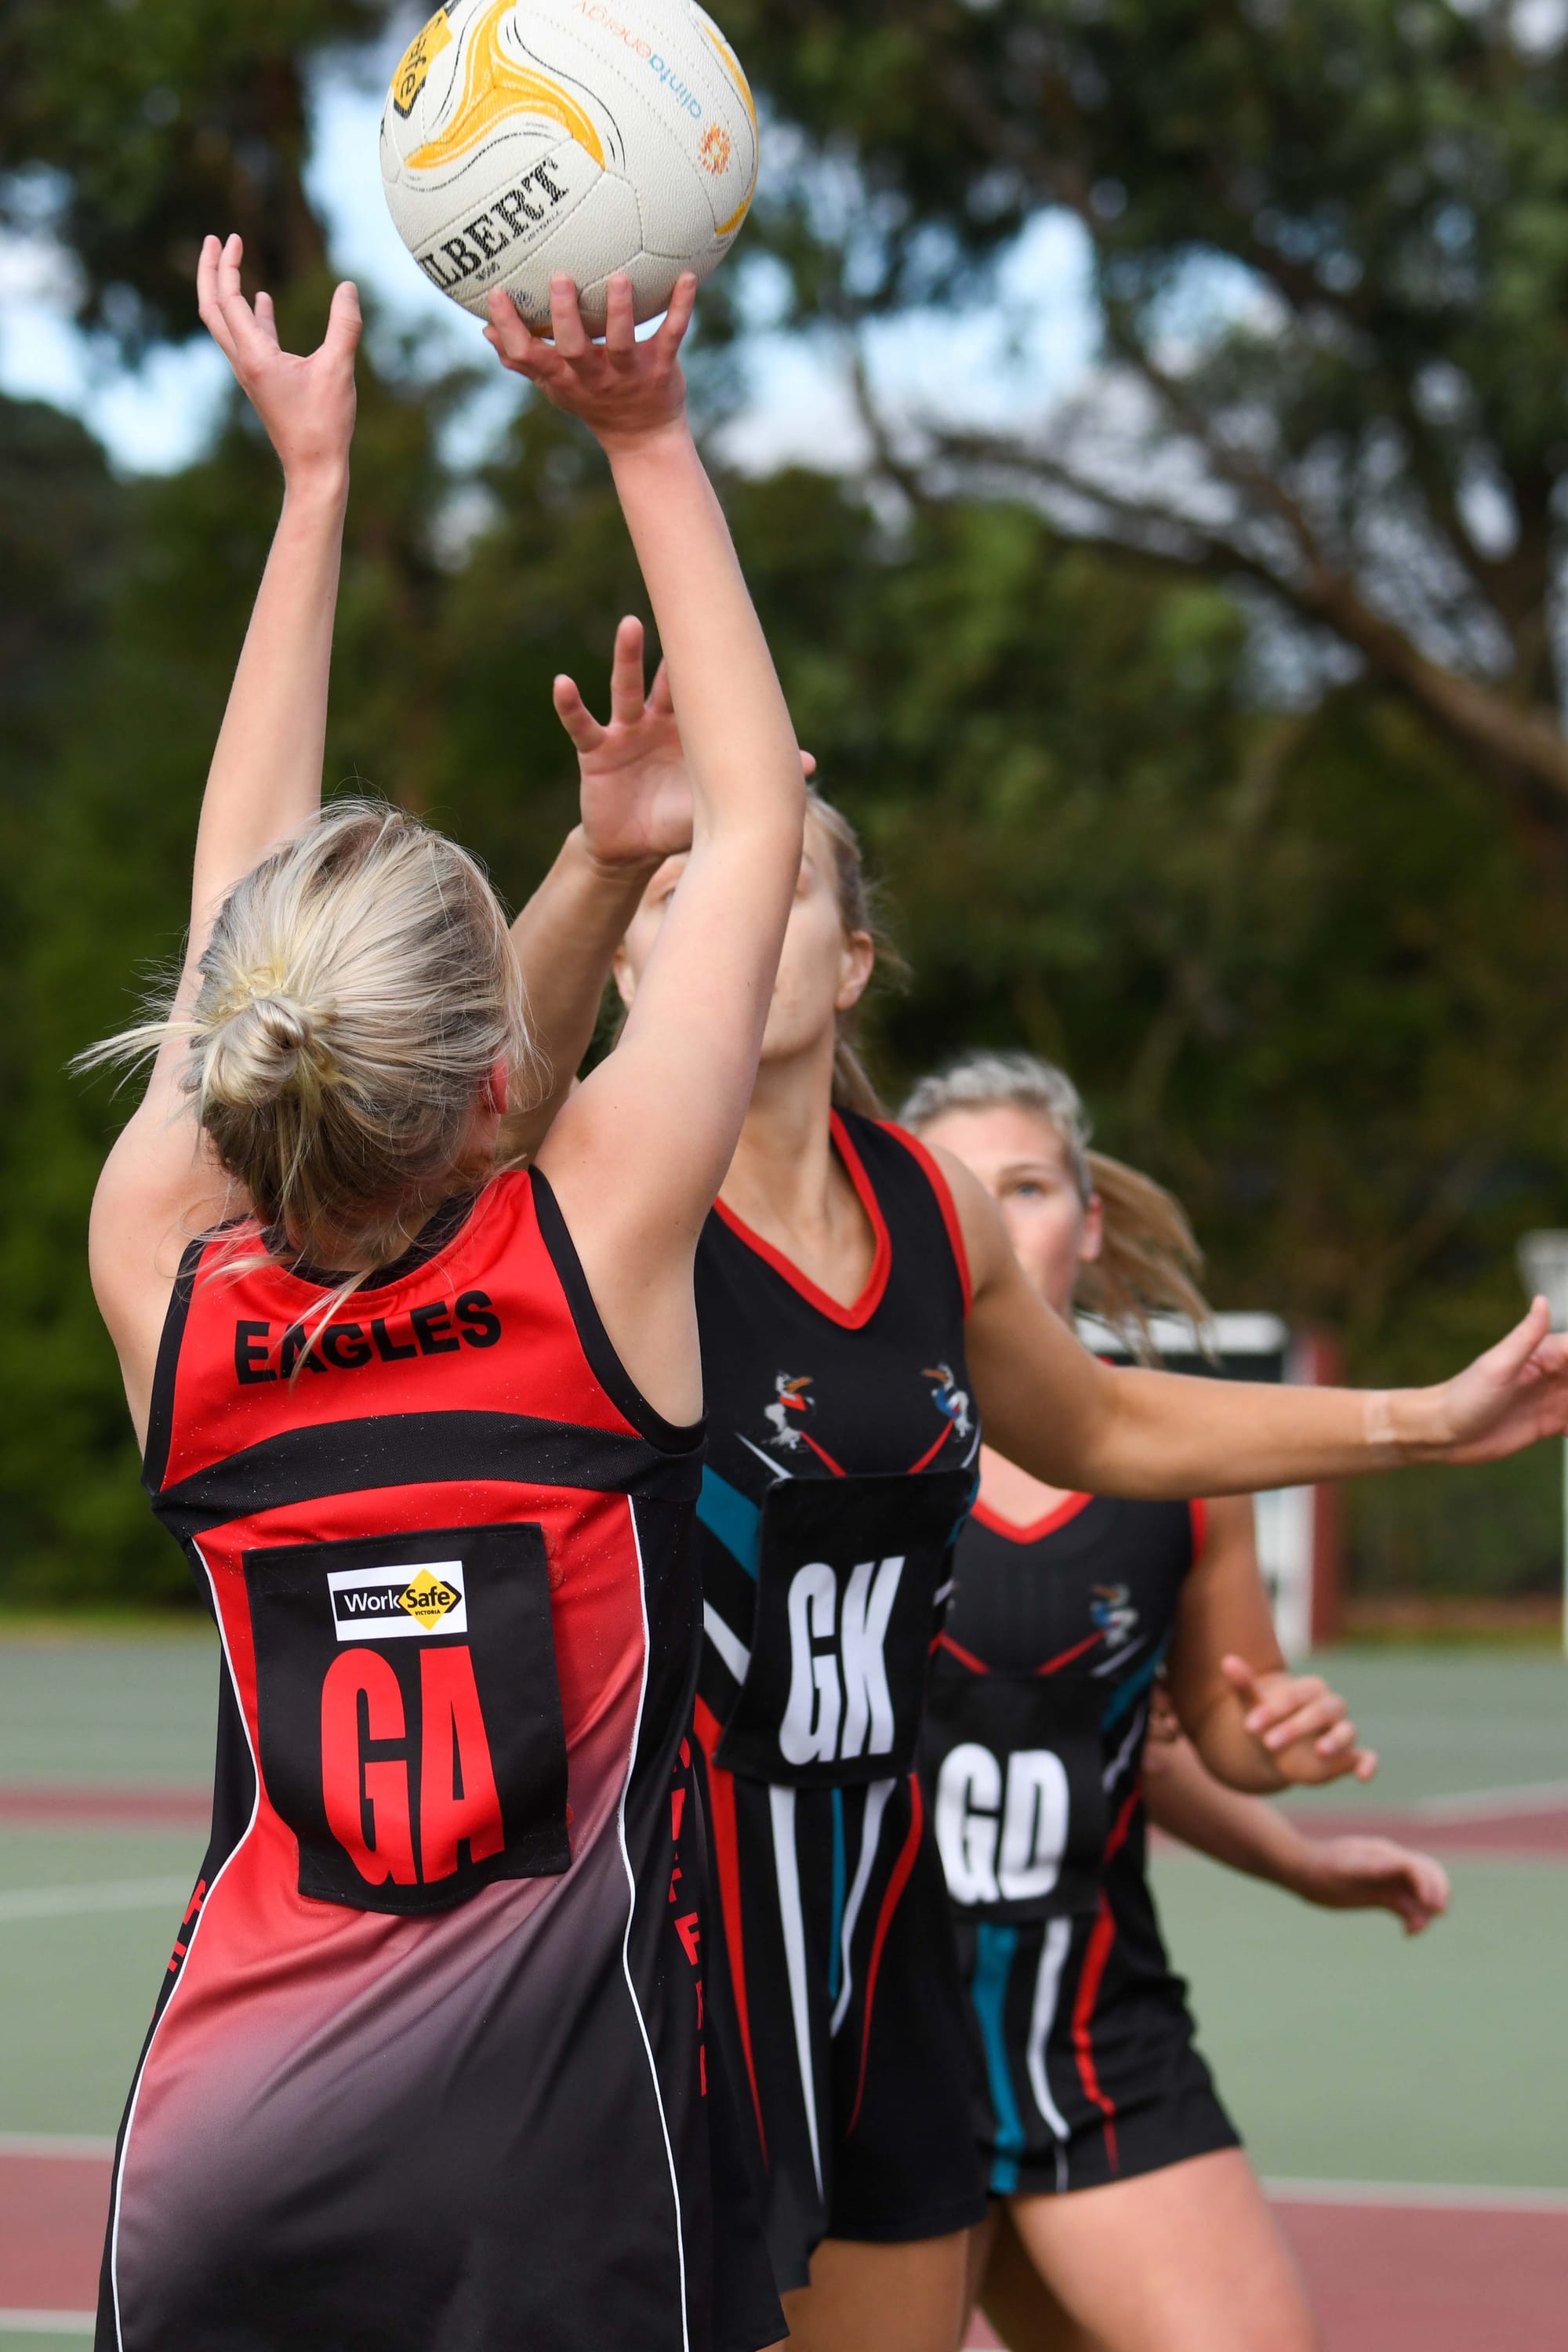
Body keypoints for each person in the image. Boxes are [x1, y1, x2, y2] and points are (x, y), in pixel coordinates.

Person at [469, 578, 1568, 2352]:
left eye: (767, 888)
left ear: (845, 961)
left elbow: (1113, 1423)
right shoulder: (588, 1189)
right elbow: (487, 1092)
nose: (725, 925)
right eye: (682, 900)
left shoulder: (925, 1208)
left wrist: (1422, 1424)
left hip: (873, 1921)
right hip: (649, 1926)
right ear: (629, 962)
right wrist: (605, 861)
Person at [80, 239, 804, 2352]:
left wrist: (313, 485)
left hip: (224, 2159)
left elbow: (236, 933)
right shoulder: (587, 1270)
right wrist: (646, 436)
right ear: (507, 1081)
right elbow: (757, 810)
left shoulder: (176, 1304)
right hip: (551, 2184)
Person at [903, 1050, 1449, 2352]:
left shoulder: (1185, 1480)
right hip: (872, 2057)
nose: (999, 1214)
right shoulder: (839, 1449)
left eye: (1030, 1185)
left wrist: (1284, 1800)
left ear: (1088, 1225)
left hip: (1102, 2050)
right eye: (964, 1189)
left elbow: (1187, 1741)